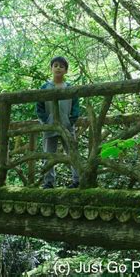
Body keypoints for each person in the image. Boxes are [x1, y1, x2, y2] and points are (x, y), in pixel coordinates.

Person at [36, 56, 80, 189]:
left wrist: (71, 120)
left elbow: (76, 107)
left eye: (61, 66)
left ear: (66, 70)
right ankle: (48, 182)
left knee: (72, 153)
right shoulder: (44, 87)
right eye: (55, 65)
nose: (58, 68)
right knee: (48, 154)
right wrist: (46, 120)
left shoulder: (70, 87)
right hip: (50, 126)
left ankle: (78, 180)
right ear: (51, 68)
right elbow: (39, 107)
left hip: (67, 126)